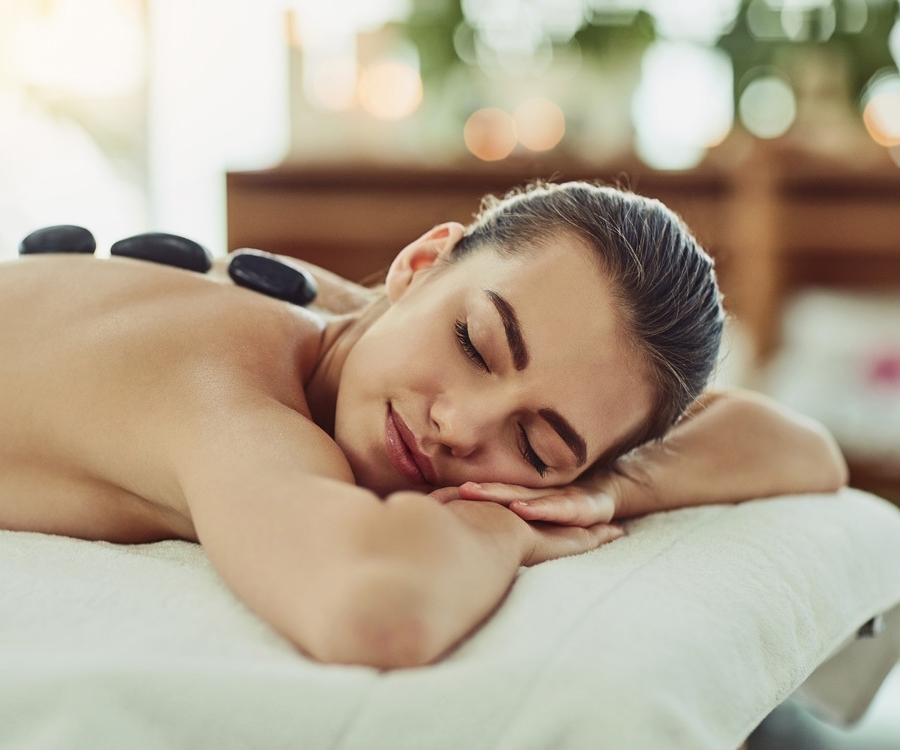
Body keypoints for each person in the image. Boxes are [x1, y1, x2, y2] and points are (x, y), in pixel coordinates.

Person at [0, 181, 847, 669]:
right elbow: (376, 607)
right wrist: (501, 522)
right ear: (418, 264)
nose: (460, 427)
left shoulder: (345, 323)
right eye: (475, 344)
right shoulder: (223, 388)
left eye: (537, 443)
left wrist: (601, 487)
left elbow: (798, 447)